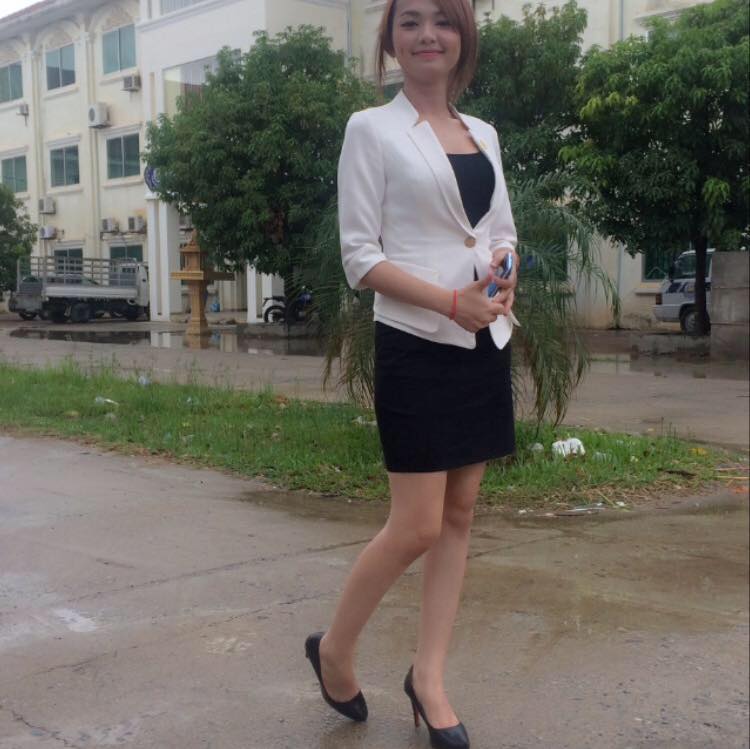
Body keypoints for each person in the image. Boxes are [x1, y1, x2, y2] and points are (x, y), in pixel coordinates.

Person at [305, 1, 519, 747]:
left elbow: (499, 231)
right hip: (417, 343)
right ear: (391, 39)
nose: (429, 34)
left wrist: (504, 270)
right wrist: (450, 302)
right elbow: (360, 257)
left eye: (444, 20)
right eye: (412, 21)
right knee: (417, 523)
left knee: (459, 515)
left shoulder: (483, 132)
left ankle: (428, 678)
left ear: (464, 35)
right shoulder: (371, 129)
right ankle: (335, 648)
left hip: (484, 341)